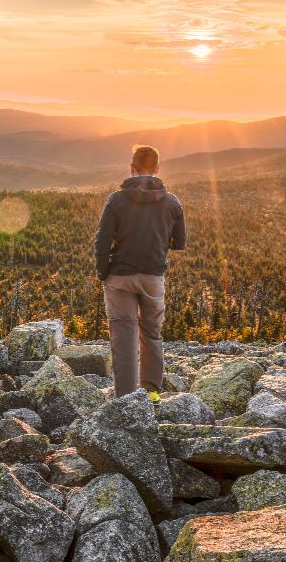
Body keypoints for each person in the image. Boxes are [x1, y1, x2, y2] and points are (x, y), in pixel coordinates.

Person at [94, 144, 186, 402]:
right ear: (157, 169)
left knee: (123, 337)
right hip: (153, 276)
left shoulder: (116, 200)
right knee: (152, 334)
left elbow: (102, 242)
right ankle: (152, 392)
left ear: (131, 168)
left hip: (120, 277)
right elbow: (179, 243)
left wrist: (103, 273)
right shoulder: (171, 202)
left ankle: (125, 398)